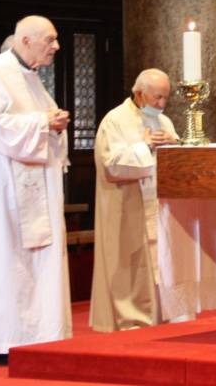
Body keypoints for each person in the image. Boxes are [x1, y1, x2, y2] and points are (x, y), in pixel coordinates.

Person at [0, 15, 71, 365]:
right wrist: (43, 122)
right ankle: (3, 339)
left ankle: (40, 336)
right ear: (25, 40)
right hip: (6, 190)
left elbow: (42, 122)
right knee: (7, 262)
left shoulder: (32, 78)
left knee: (38, 263)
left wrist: (55, 125)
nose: (56, 46)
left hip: (36, 187)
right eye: (49, 40)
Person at [90, 69, 179, 332]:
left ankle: (162, 314)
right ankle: (130, 320)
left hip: (158, 205)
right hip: (126, 204)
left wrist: (174, 144)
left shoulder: (164, 122)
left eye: (165, 98)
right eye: (157, 97)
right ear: (139, 94)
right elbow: (111, 165)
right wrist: (146, 146)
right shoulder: (115, 120)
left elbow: (174, 162)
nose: (161, 104)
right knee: (129, 264)